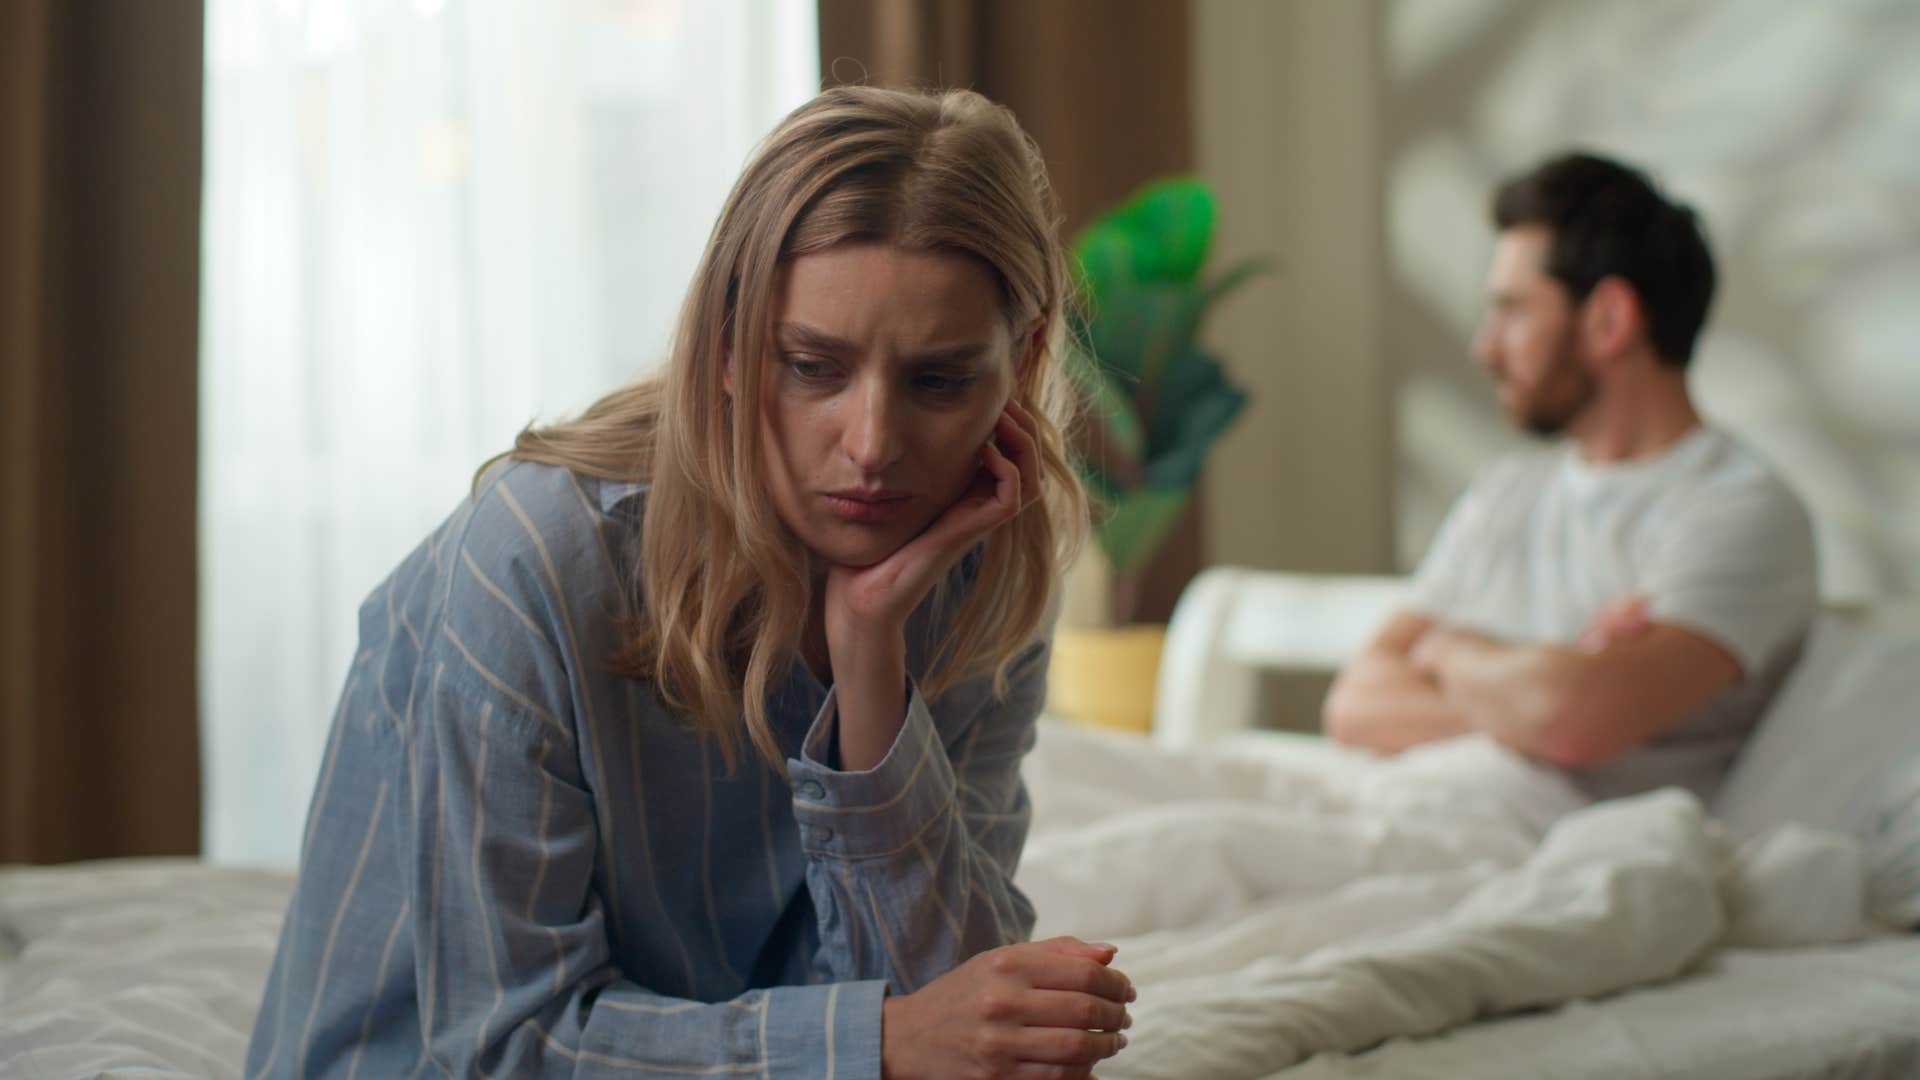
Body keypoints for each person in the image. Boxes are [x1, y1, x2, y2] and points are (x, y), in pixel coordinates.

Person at [246, 86, 1136, 1079]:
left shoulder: (983, 573)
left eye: (938, 381)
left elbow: (962, 1031)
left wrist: (870, 666)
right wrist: (878, 1042)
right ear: (725, 343)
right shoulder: (535, 561)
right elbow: (502, 1046)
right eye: (812, 366)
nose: (872, 445)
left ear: (1022, 359)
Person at [1324, 151, 1817, 803]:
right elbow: (1355, 705)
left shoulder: (1739, 511)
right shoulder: (1505, 493)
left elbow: (1572, 722)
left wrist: (1446, 652)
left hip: (1556, 839)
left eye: (1512, 310)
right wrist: (1538, 688)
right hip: (1409, 806)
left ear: (1609, 319)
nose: (1484, 347)